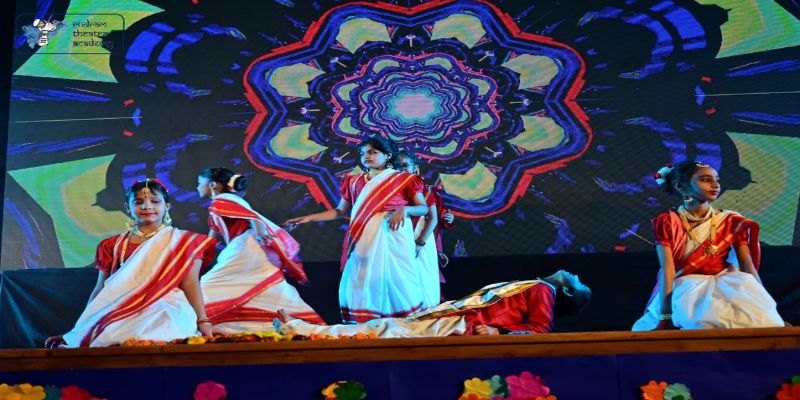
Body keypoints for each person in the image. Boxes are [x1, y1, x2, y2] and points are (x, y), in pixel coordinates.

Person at [45, 179, 217, 347]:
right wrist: (79, 330)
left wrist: (203, 322)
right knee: (108, 335)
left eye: (155, 201)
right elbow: (101, 289)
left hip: (166, 305)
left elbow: (190, 283)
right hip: (119, 309)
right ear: (128, 207)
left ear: (167, 206)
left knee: (164, 329)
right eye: (139, 202)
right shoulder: (112, 245)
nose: (147, 206)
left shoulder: (184, 242)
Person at [284, 136, 430, 323]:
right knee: (362, 277)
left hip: (394, 235)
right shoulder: (353, 181)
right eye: (363, 153)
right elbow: (340, 211)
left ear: (388, 155)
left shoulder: (405, 180)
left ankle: (404, 324)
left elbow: (423, 208)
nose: (366, 157)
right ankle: (365, 325)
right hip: (363, 237)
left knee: (398, 277)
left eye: (372, 152)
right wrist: (307, 218)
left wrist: (405, 209)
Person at [632, 161, 784, 330]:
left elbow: (747, 266)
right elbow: (668, 270)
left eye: (717, 179)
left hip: (729, 286)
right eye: (705, 179)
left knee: (761, 321)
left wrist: (768, 308)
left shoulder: (732, 221)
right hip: (686, 288)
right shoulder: (667, 221)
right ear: (681, 186)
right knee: (698, 322)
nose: (715, 185)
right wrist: (665, 316)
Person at [275, 270, 591, 337]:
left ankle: (303, 331)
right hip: (456, 318)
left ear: (566, 293)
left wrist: (501, 333)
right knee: (384, 328)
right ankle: (304, 330)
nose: (575, 274)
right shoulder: (534, 285)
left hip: (464, 326)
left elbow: (540, 329)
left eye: (578, 282)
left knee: (385, 331)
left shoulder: (544, 290)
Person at [197, 168, 324, 333]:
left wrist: (259, 232)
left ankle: (198, 320)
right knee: (264, 286)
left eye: (199, 183)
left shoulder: (222, 200)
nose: (197, 187)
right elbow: (210, 239)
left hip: (247, 248)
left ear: (213, 185)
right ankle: (293, 321)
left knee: (207, 288)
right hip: (246, 249)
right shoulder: (222, 203)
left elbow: (252, 216)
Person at [393, 150, 455, 307]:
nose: (400, 169)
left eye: (405, 165)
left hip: (420, 240)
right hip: (397, 240)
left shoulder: (425, 191)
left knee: (423, 278)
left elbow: (434, 220)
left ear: (415, 168)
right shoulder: (390, 193)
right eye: (396, 166)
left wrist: (419, 244)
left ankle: (426, 315)